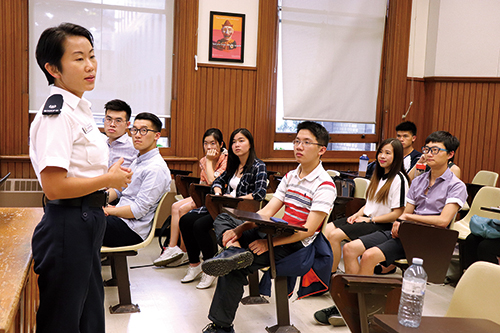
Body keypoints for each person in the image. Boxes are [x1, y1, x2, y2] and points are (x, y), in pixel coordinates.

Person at [29, 23, 132, 333]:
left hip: (87, 218)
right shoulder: (58, 115)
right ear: (53, 68)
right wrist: (107, 180)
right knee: (63, 319)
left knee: (88, 316)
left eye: (92, 56)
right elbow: (54, 185)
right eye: (78, 58)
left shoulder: (80, 109)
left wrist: (104, 189)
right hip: (67, 224)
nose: (90, 66)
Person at [200, 121, 336, 333]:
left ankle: (221, 327)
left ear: (321, 150)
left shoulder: (325, 185)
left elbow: (308, 230)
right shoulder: (291, 176)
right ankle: (234, 249)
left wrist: (267, 243)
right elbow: (265, 212)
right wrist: (239, 231)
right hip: (273, 231)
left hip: (295, 245)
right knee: (222, 221)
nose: (299, 146)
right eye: (297, 141)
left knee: (233, 267)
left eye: (306, 142)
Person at [178, 128, 267, 290]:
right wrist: (219, 192)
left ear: (250, 143)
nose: (237, 145)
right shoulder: (233, 165)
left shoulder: (258, 165)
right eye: (234, 142)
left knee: (199, 226)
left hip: (240, 210)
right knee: (185, 220)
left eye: (241, 141)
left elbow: (260, 193)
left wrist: (236, 199)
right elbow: (218, 181)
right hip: (222, 206)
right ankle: (194, 264)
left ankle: (210, 267)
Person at [325, 139, 409, 274]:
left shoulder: (399, 179)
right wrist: (357, 214)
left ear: (397, 156)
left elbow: (397, 214)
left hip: (382, 224)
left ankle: (331, 275)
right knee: (326, 230)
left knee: (335, 236)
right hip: (368, 219)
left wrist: (369, 220)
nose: (382, 156)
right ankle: (328, 274)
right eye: (380, 152)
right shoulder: (378, 176)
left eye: (387, 153)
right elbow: (370, 204)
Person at [153, 128, 228, 267]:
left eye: (213, 143)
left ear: (221, 144)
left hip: (218, 197)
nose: (209, 147)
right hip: (204, 194)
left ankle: (184, 250)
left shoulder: (226, 160)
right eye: (206, 143)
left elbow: (214, 182)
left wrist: (210, 162)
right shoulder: (203, 160)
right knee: (175, 206)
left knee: (183, 210)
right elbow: (203, 183)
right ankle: (172, 248)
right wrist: (207, 162)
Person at [103, 112, 171, 247]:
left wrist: (108, 210)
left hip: (131, 229)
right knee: (77, 214)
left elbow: (138, 210)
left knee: (81, 223)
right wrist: (100, 200)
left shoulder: (156, 168)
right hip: (119, 218)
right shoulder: (138, 160)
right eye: (134, 130)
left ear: (157, 136)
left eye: (144, 131)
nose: (137, 135)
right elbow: (121, 190)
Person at [103, 99, 138, 169]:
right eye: (109, 119)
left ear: (127, 124)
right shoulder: (99, 143)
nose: (112, 124)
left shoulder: (135, 147)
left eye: (118, 121)